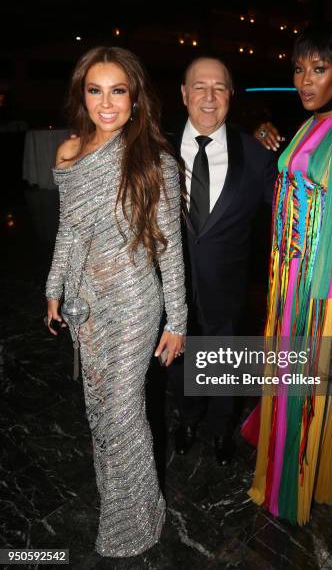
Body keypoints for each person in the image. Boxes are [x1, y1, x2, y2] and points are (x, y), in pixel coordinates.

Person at [45, 47, 187, 557]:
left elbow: (168, 248)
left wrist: (179, 320)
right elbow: (69, 229)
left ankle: (132, 524)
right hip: (87, 302)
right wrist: (53, 287)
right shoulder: (68, 153)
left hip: (135, 302)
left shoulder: (155, 160)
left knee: (125, 411)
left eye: (118, 90)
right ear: (82, 95)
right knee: (100, 409)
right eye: (95, 90)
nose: (107, 103)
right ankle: (125, 496)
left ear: (135, 97)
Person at [244, 26, 332, 525]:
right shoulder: (308, 125)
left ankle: (293, 491)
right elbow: (287, 192)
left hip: (322, 296)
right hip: (287, 286)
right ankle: (276, 473)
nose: (305, 80)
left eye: (318, 69)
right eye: (299, 69)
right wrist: (266, 146)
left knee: (312, 397)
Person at [167, 56, 276, 465]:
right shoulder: (154, 147)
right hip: (170, 288)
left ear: (231, 95)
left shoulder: (256, 154)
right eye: (199, 86)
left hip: (228, 287)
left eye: (219, 87)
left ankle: (219, 428)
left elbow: (293, 199)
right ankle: (188, 419)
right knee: (179, 364)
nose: (208, 97)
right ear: (183, 93)